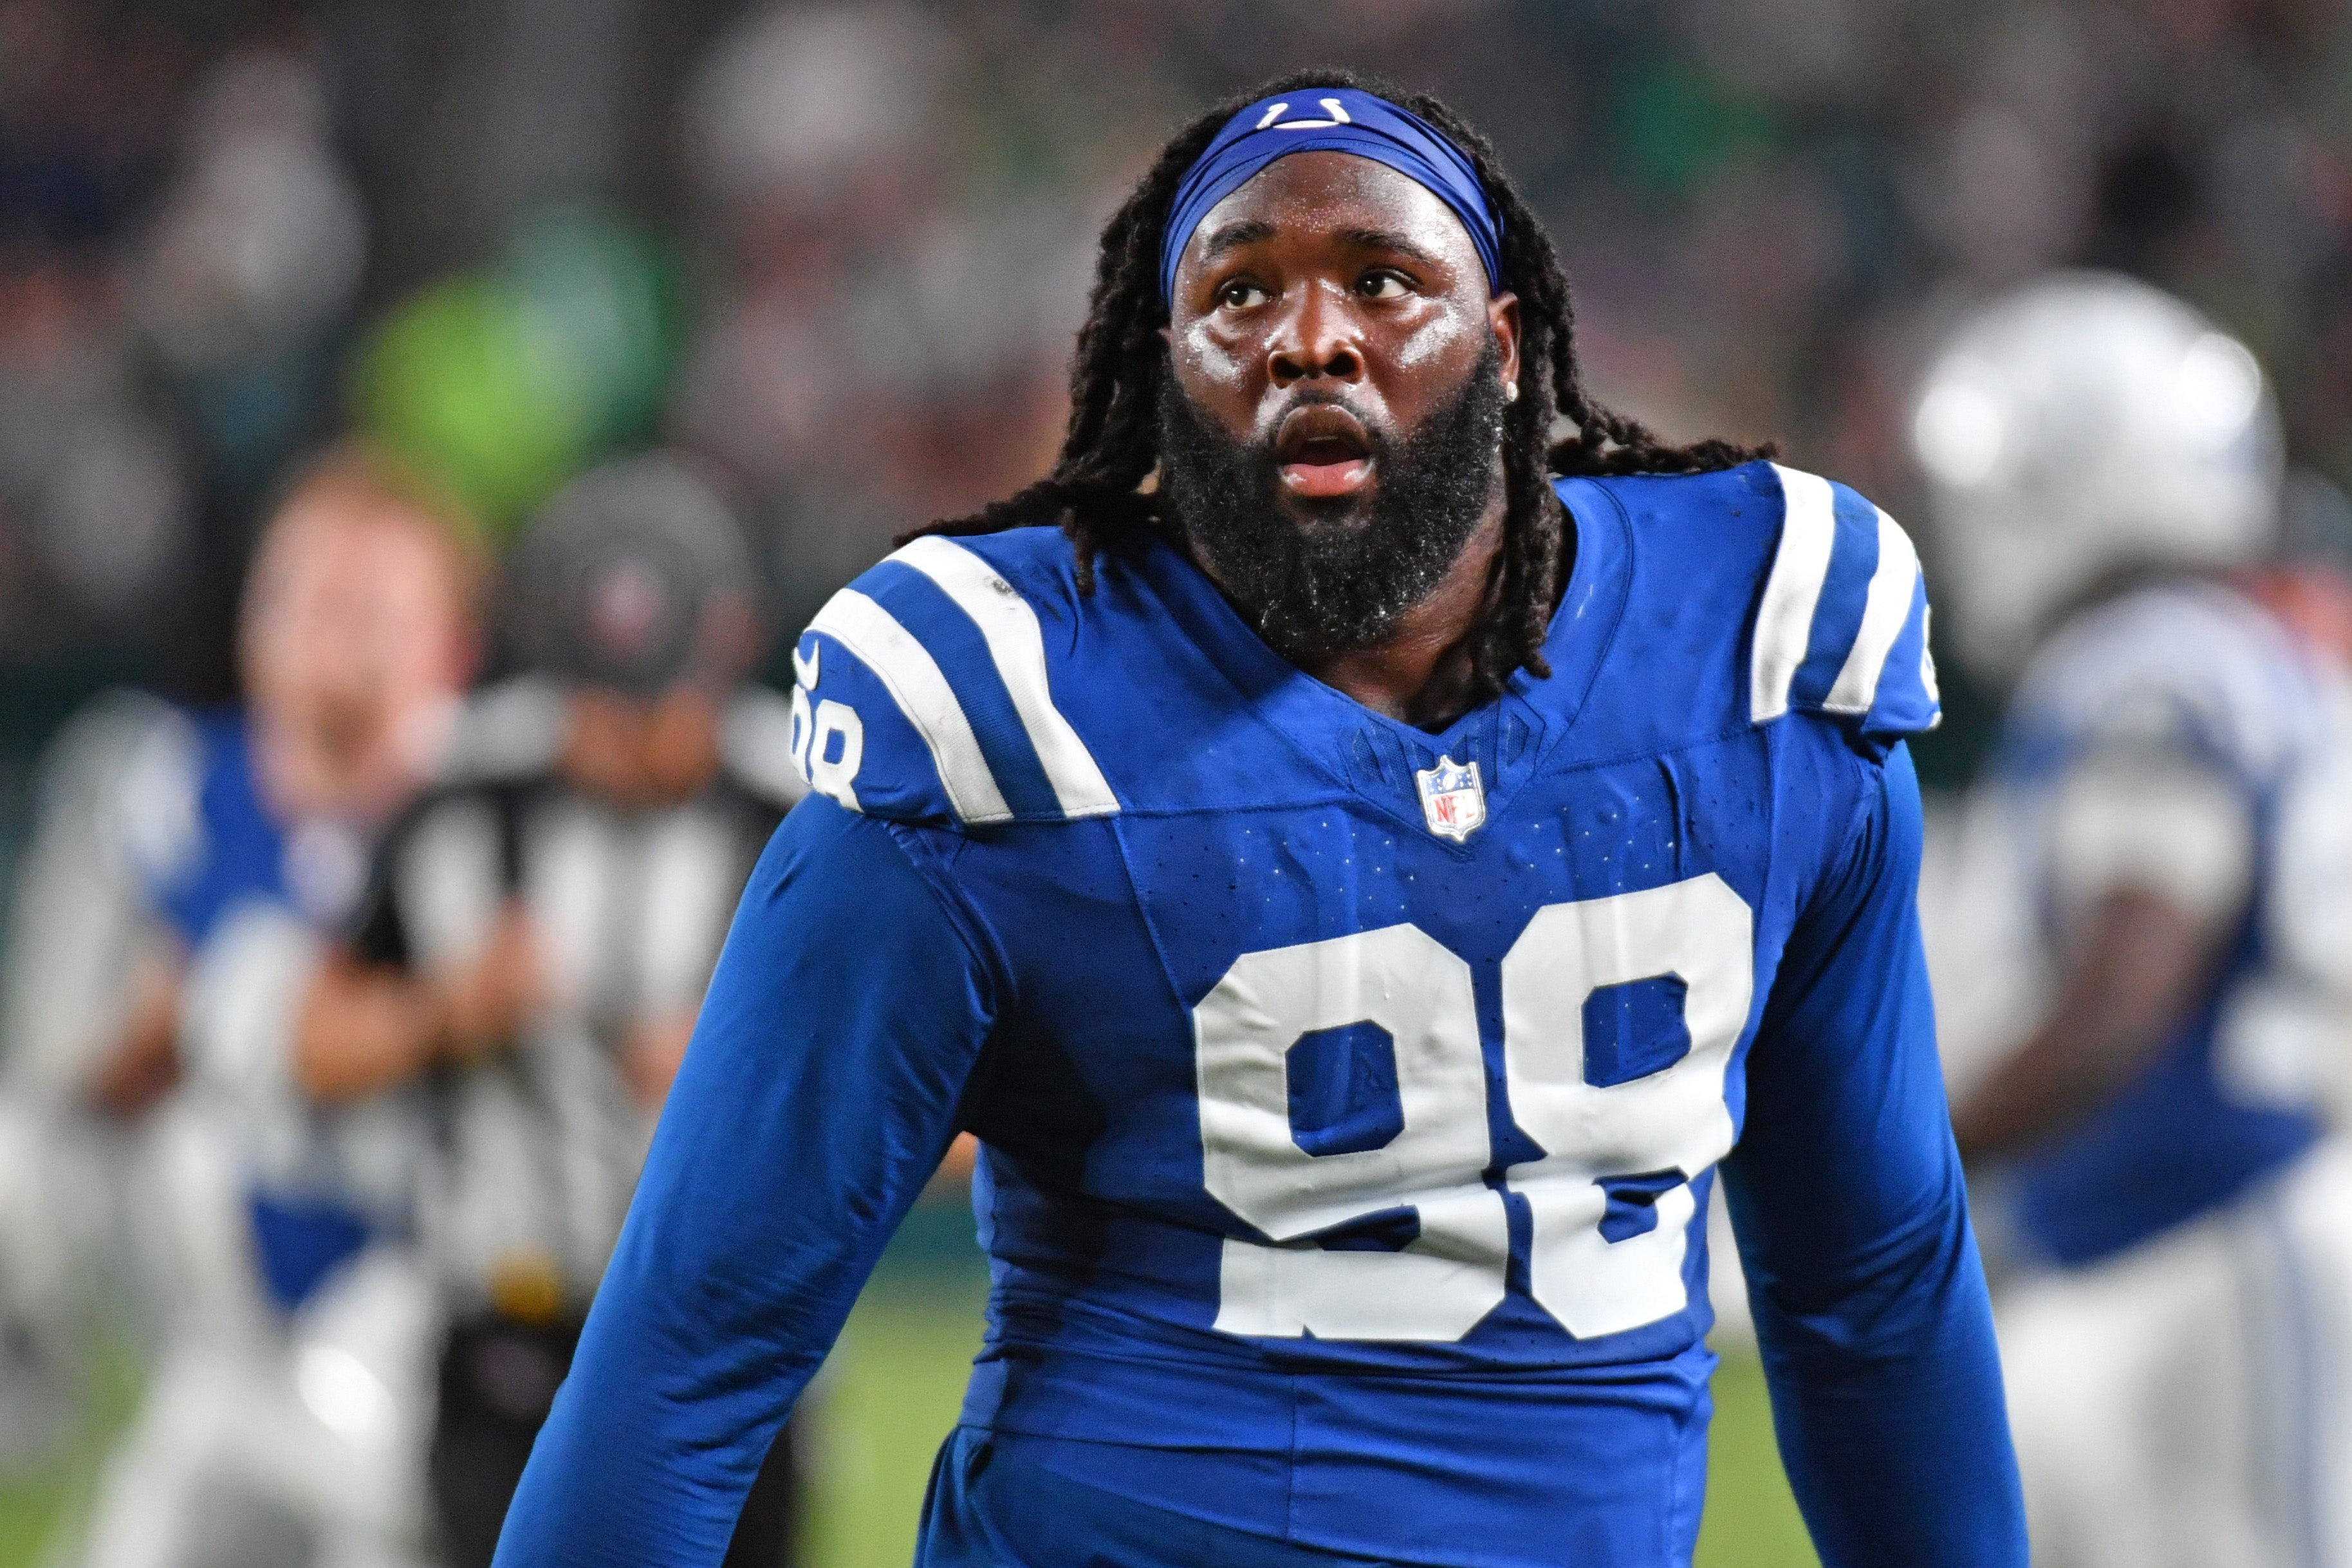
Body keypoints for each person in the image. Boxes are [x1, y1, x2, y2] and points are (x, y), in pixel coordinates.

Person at [497, 72, 2026, 1567]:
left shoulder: (1756, 659)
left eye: (1383, 279)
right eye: (1240, 295)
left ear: (1503, 350)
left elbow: (1873, 1290)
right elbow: (691, 1361)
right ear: (1166, 375)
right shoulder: (1001, 723)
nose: (1313, 338)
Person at [294, 452, 808, 1568]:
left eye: (656, 696)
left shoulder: (804, 809)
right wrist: (447, 1009)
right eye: (598, 696)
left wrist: (758, 1084)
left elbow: (963, 1109)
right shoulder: (458, 790)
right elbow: (313, 1042)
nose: (624, 734)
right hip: (503, 1333)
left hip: (729, 1352)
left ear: (722, 649)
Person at [1921, 273, 2352, 1567]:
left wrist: (1898, 1161)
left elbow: (2122, 996)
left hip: (2211, 1228)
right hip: (2180, 1238)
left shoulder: (2150, 661)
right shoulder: (2224, 647)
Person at [46, 444, 483, 1568]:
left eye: (366, 604)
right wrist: (160, 1035)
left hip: (429, 1319)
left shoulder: (490, 814)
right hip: (210, 1310)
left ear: (449, 644)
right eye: (302, 593)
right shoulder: (173, 787)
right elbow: (70, 1076)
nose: (326, 632)